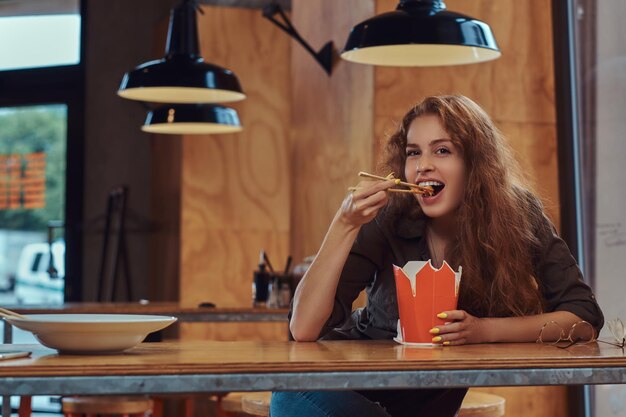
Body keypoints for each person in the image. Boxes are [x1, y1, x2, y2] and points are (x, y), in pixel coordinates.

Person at [270, 95, 604, 417]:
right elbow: (303, 329)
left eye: (442, 150)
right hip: (339, 394)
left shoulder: (519, 214)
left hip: (426, 407)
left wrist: (484, 330)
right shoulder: (388, 217)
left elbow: (584, 319)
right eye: (413, 153)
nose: (423, 165)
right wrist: (344, 224)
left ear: (475, 162)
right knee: (289, 392)